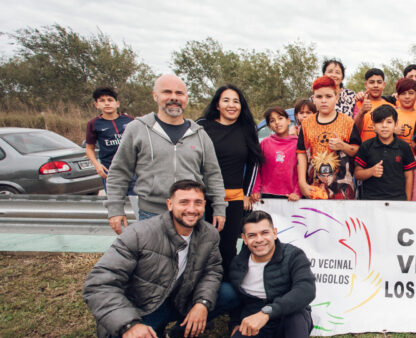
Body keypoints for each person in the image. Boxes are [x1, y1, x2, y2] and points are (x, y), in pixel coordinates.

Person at [84, 180, 239, 338]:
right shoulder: (140, 234)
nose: (191, 209)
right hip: (142, 307)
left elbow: (212, 271)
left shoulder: (209, 233)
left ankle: (180, 333)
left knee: (229, 294)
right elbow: (98, 284)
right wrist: (129, 324)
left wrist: (202, 303)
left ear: (205, 205)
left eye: (198, 202)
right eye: (184, 202)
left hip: (180, 297)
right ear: (169, 204)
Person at [104, 74, 226, 234]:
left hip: (190, 214)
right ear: (155, 96)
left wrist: (219, 208)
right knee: (153, 259)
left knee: (190, 258)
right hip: (151, 214)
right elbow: (120, 172)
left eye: (179, 93)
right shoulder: (138, 129)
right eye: (167, 92)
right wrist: (115, 208)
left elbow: (213, 175)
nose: (174, 98)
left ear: (186, 98)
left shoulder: (199, 134)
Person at [216, 211, 315, 338]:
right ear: (244, 239)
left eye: (265, 233)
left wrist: (267, 312)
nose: (259, 240)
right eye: (252, 235)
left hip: (288, 323)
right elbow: (237, 299)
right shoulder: (238, 264)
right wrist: (236, 322)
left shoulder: (293, 255)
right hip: (255, 327)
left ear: (275, 233)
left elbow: (306, 290)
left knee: (298, 314)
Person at [198, 85, 264, 275]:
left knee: (227, 249)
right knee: (201, 248)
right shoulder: (202, 126)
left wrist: (246, 193)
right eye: (226, 100)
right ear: (217, 104)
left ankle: (225, 292)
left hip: (233, 198)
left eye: (236, 101)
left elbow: (253, 163)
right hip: (204, 198)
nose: (231, 105)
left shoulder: (246, 129)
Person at [297, 76, 361, 200]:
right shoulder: (306, 124)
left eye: (328, 96)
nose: (324, 101)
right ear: (313, 99)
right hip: (314, 188)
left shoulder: (347, 122)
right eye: (319, 97)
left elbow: (357, 150)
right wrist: (302, 183)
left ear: (336, 98)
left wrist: (343, 146)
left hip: (342, 189)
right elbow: (301, 154)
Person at [354, 105, 416, 200]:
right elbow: (357, 174)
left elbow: (409, 176)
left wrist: (406, 202)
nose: (384, 126)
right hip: (371, 201)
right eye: (380, 122)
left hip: (397, 200)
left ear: (396, 124)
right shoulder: (366, 146)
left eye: (389, 122)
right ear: (374, 126)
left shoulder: (404, 147)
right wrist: (371, 171)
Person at [85, 87, 134, 190]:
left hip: (131, 170)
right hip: (109, 171)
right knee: (115, 204)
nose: (107, 103)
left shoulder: (129, 120)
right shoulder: (93, 124)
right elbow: (89, 148)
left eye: (110, 100)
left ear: (117, 103)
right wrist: (97, 165)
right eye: (102, 101)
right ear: (96, 105)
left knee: (135, 203)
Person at [253, 107, 301, 201]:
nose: (277, 122)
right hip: (266, 195)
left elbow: (301, 172)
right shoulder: (264, 144)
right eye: (272, 120)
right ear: (269, 126)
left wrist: (297, 192)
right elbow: (257, 169)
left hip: (290, 196)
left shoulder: (298, 144)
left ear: (288, 121)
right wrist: (255, 190)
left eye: (280, 118)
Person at [354, 68, 394, 142]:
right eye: (372, 82)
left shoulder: (391, 107)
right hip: (362, 150)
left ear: (384, 85)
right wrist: (361, 112)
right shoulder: (357, 104)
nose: (375, 85)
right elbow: (354, 132)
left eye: (379, 82)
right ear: (366, 85)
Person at [394, 78, 416, 145]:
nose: (407, 97)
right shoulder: (391, 114)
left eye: (411, 93)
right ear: (398, 96)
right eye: (403, 93)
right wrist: (391, 131)